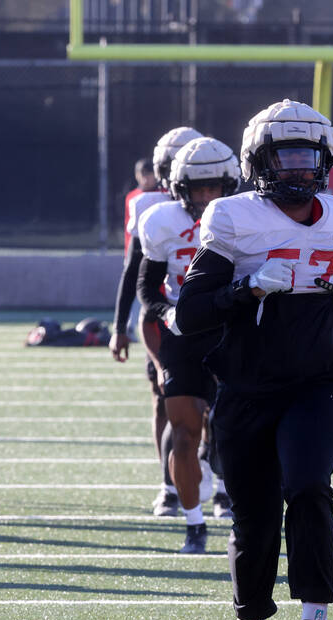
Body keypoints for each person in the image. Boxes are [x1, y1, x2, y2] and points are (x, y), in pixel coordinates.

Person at [175, 99, 333, 620]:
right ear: (259, 162)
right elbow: (189, 314)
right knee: (256, 519)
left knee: (310, 485)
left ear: (326, 160)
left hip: (317, 380)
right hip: (245, 387)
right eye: (285, 157)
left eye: (307, 156)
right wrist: (243, 288)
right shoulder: (234, 220)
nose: (297, 169)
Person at [136, 136, 239, 553]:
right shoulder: (161, 221)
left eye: (214, 187)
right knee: (182, 432)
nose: (208, 196)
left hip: (232, 329)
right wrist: (166, 313)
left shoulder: (246, 217)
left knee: (237, 429)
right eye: (200, 188)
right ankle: (194, 524)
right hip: (182, 333)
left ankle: (233, 499)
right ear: (181, 187)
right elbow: (147, 288)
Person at [111, 126, 202, 516]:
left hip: (212, 317)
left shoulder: (225, 204)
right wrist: (119, 325)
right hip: (164, 319)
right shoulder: (150, 207)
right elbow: (135, 269)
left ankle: (210, 478)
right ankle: (168, 484)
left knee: (216, 406)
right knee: (165, 401)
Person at [124, 157, 158, 253]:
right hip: (138, 246)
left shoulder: (164, 194)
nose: (145, 178)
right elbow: (128, 226)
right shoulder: (131, 197)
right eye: (142, 174)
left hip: (158, 244)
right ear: (136, 175)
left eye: (149, 174)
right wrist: (128, 251)